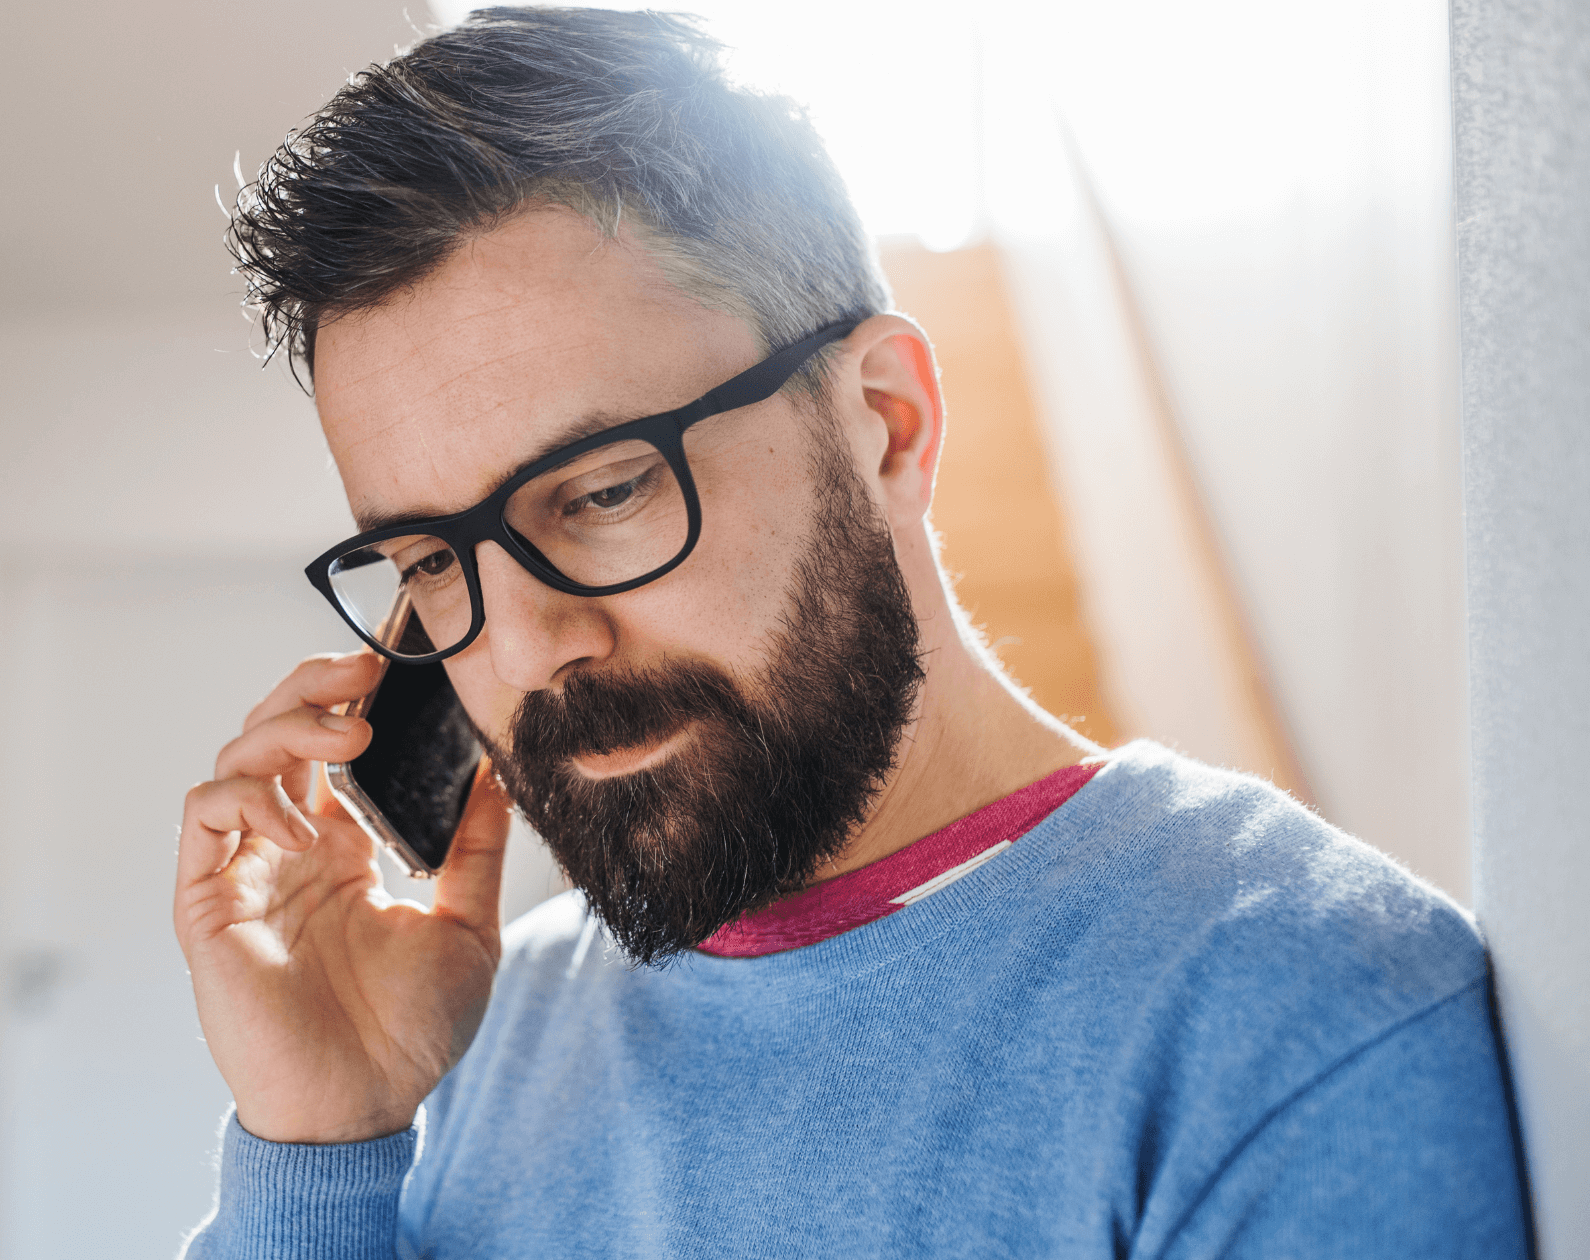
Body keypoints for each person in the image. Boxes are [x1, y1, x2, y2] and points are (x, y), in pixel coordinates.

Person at [171, 8, 1531, 1255]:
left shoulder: (1291, 1012)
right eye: (430, 560)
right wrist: (322, 1150)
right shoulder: (457, 1042)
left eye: (602, 493)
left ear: (886, 422)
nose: (524, 649)